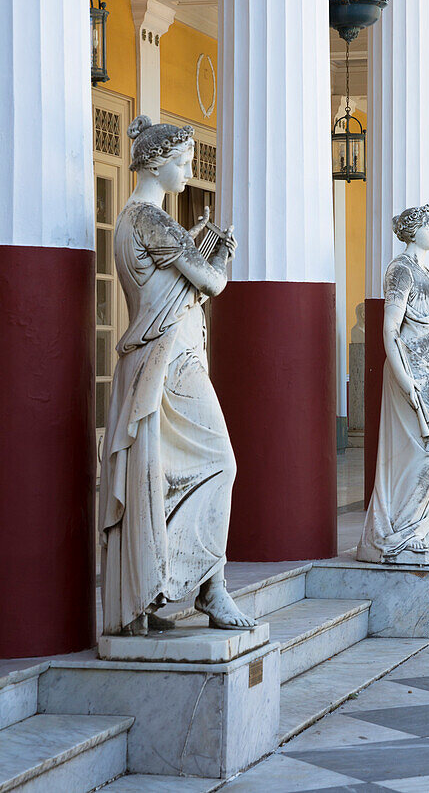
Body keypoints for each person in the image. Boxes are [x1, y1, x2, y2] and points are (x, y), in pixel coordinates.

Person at [99, 115, 252, 636]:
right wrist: (222, 253)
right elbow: (211, 280)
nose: (188, 171)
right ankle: (210, 585)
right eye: (184, 163)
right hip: (170, 362)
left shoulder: (135, 220)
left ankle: (152, 588)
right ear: (158, 163)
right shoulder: (150, 220)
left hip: (160, 360)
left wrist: (199, 248)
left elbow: (176, 277)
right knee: (220, 463)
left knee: (160, 477)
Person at [357, 204, 429, 563]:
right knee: (423, 450)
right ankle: (402, 529)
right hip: (412, 370)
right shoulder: (400, 270)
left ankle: (423, 527)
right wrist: (404, 378)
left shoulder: (424, 269)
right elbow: (389, 328)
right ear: (414, 231)